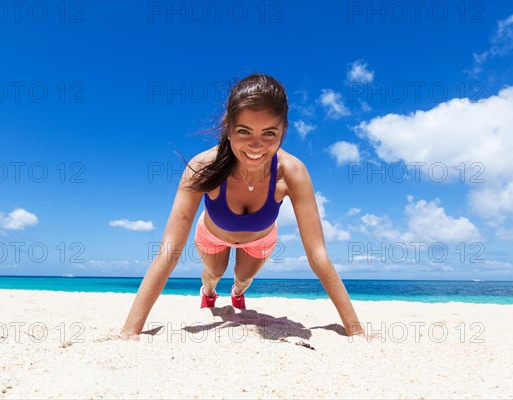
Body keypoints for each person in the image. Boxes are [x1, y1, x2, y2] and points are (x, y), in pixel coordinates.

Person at [118, 73, 369, 341]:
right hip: (212, 235)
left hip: (260, 240)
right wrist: (130, 330)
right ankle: (209, 292)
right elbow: (169, 250)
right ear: (229, 128)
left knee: (242, 278)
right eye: (244, 131)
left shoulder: (292, 172)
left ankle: (237, 294)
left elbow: (318, 254)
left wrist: (355, 329)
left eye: (269, 133)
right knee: (214, 272)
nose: (256, 145)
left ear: (283, 130)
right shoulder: (203, 167)